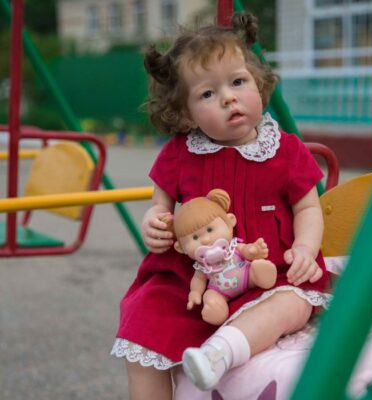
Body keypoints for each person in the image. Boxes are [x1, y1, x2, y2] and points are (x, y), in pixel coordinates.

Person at [111, 11, 331, 399]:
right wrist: (154, 222)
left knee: (292, 303)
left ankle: (220, 353)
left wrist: (304, 249)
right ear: (185, 113)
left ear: (258, 84)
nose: (229, 96)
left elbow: (308, 209)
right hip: (193, 278)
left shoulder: (285, 150)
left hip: (269, 271)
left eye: (238, 81)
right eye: (207, 94)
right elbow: (160, 205)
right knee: (143, 321)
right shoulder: (181, 152)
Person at [171, 188, 277, 326]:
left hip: (245, 276)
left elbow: (244, 250)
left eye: (210, 230)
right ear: (181, 248)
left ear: (230, 221)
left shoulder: (233, 247)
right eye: (195, 237)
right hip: (220, 291)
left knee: (254, 267)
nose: (206, 240)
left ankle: (261, 275)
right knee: (209, 295)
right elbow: (198, 279)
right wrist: (195, 293)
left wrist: (252, 250)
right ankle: (217, 309)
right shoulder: (202, 266)